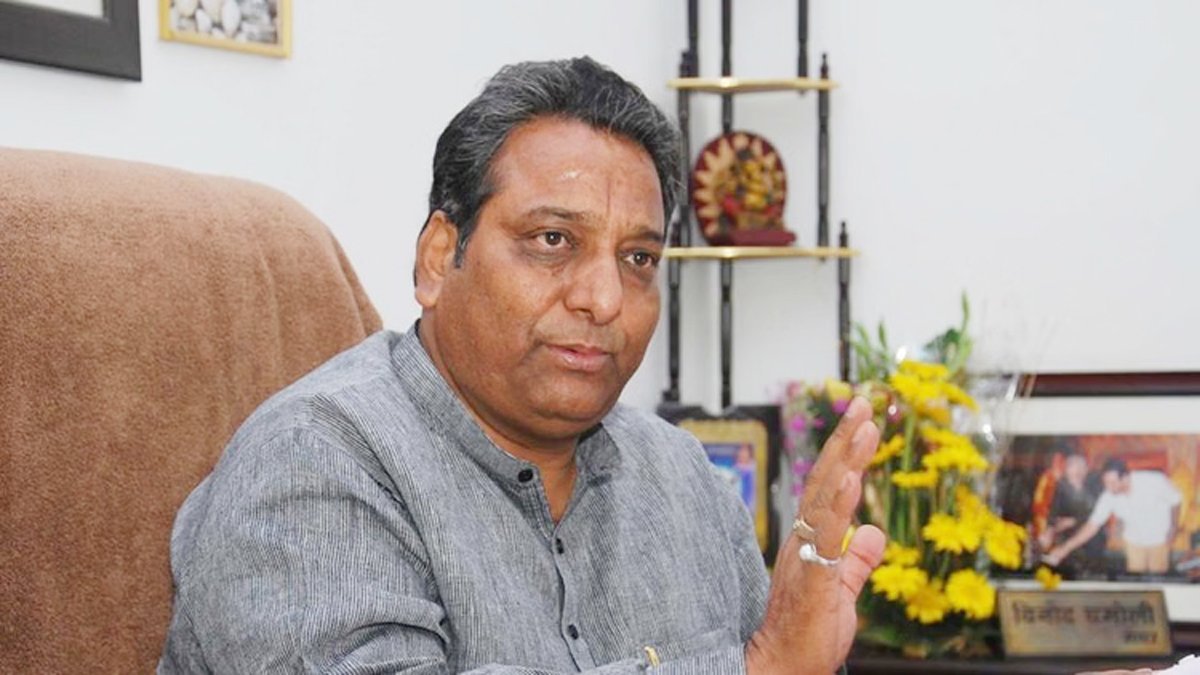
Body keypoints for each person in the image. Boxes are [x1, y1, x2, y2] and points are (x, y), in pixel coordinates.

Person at [158, 56, 884, 674]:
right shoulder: (314, 459)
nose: (604, 298)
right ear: (439, 258)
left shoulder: (683, 477)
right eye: (552, 240)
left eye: (638, 258)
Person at [1045, 458, 1181, 574]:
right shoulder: (1108, 496)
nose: (1109, 488)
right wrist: (1065, 548)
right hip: (1133, 541)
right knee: (1136, 580)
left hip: (1158, 539)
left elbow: (1176, 501)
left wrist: (1174, 526)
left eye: (1112, 483)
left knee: (1157, 579)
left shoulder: (1155, 481)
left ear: (1125, 478)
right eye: (1106, 483)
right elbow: (1092, 526)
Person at [1037, 452, 1105, 575]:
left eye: (1081, 466)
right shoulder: (1061, 487)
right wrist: (1050, 530)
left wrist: (1074, 521)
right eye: (1073, 466)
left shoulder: (1095, 486)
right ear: (1066, 470)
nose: (1078, 470)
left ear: (1087, 469)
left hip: (1092, 535)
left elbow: (1098, 514)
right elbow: (1053, 513)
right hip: (1068, 534)